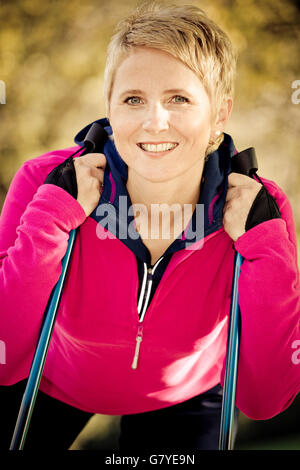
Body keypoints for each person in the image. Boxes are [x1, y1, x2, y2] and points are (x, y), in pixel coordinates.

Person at [0, 2, 300, 452]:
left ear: (219, 113)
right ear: (110, 108)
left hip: (186, 396)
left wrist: (265, 249)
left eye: (179, 99)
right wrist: (51, 220)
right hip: (53, 380)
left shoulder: (261, 209)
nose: (153, 121)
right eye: (133, 99)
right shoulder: (47, 184)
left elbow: (266, 398)